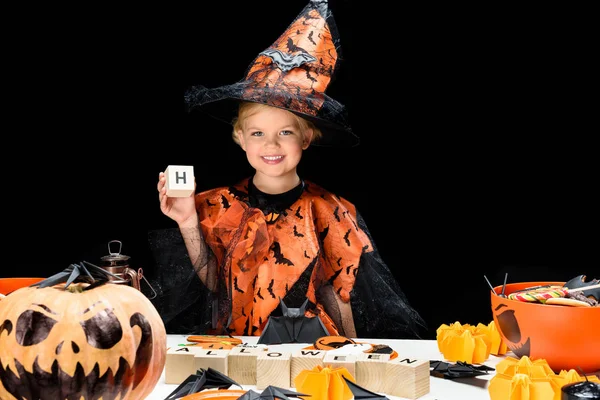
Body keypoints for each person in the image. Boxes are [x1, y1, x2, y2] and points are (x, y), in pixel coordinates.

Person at [149, 0, 425, 339]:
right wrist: (187, 220)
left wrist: (352, 352)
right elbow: (216, 285)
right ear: (241, 138)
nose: (271, 146)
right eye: (258, 134)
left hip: (309, 354)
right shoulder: (217, 206)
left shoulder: (330, 212)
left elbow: (340, 295)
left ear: (306, 138)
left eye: (285, 133)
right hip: (240, 353)